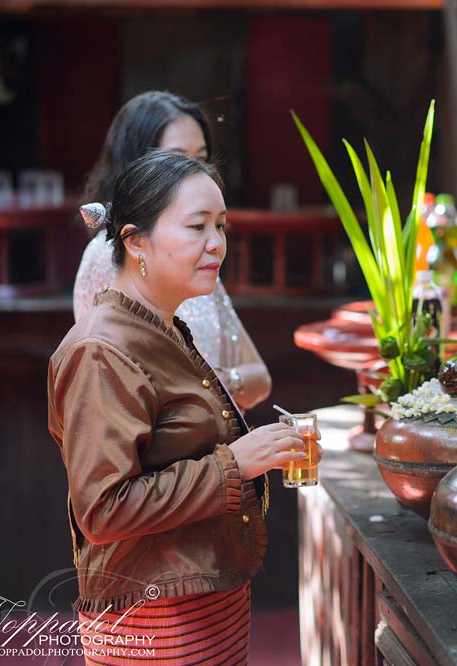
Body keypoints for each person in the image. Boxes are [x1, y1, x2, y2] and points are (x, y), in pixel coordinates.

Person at [49, 152, 317, 663]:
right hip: (153, 621)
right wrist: (235, 465)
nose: (216, 243)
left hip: (202, 598)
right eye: (197, 227)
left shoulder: (162, 325)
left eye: (221, 226)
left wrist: (261, 453)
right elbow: (104, 510)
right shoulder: (100, 349)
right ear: (135, 241)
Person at [73, 90, 271, 410]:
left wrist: (215, 382)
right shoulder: (106, 258)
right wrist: (209, 387)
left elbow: (260, 377)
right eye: (177, 159)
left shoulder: (199, 257)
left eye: (201, 159)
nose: (193, 172)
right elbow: (113, 396)